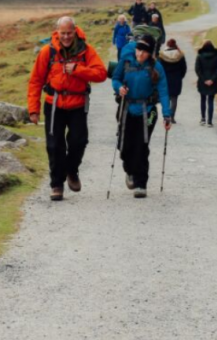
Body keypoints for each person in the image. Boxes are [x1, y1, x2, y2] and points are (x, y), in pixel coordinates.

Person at [29, 16, 108, 202]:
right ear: (57, 32)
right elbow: (35, 81)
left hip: (78, 104)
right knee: (54, 145)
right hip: (54, 104)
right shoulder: (46, 52)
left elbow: (101, 74)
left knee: (79, 141)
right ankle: (57, 185)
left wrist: (79, 70)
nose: (66, 36)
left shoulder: (86, 50)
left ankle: (72, 170)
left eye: (69, 33)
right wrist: (33, 109)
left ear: (75, 31)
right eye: (62, 33)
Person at [111, 34, 171, 198]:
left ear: (150, 52)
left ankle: (140, 183)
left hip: (147, 110)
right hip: (126, 108)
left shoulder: (156, 67)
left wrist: (167, 115)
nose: (140, 54)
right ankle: (130, 170)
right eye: (138, 50)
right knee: (124, 146)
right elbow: (116, 79)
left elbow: (164, 92)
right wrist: (119, 88)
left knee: (141, 145)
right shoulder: (126, 61)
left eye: (144, 52)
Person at [159, 39, 187, 124]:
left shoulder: (162, 56)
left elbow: (159, 69)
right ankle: (172, 117)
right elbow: (184, 68)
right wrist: (180, 77)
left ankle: (166, 116)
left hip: (165, 79)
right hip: (176, 79)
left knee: (166, 99)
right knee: (174, 99)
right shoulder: (180, 55)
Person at [195, 40, 217, 127]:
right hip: (213, 82)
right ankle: (210, 121)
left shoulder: (199, 56)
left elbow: (197, 69)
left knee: (202, 99)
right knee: (211, 101)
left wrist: (204, 79)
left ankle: (203, 119)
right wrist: (212, 79)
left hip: (202, 81)